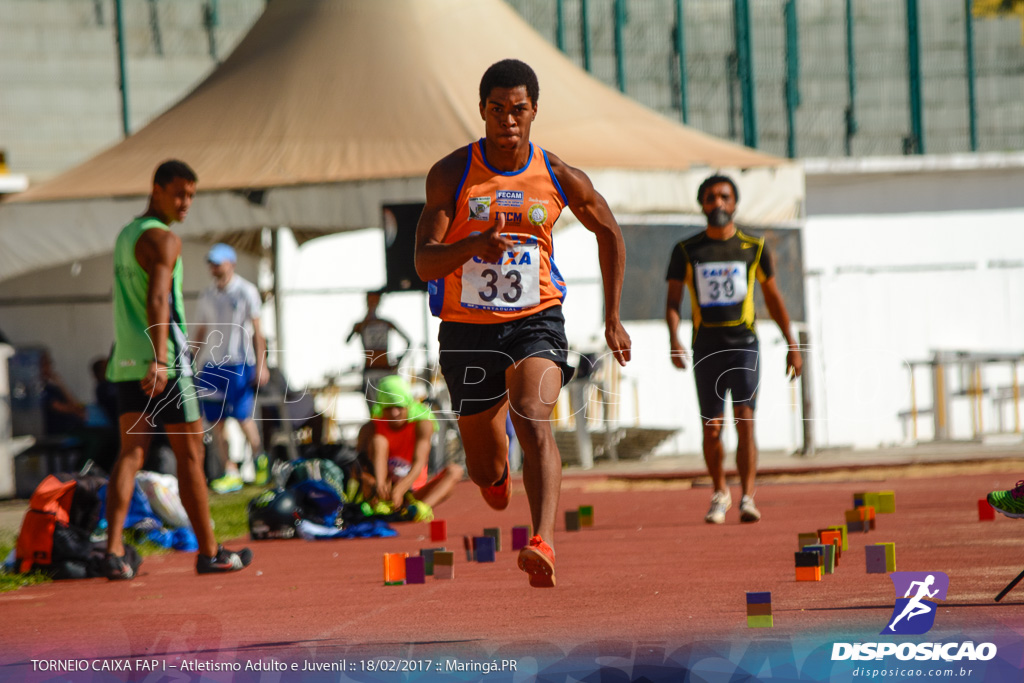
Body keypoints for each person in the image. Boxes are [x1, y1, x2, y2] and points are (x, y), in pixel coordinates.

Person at [414, 59, 631, 587]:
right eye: (497, 110)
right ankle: (495, 479)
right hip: (467, 332)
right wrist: (473, 245)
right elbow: (424, 261)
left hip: (536, 321)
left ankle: (543, 540)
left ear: (533, 110)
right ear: (482, 111)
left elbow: (610, 233)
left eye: (518, 110)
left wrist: (613, 316)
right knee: (486, 466)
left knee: (534, 416)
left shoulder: (557, 174)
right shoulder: (452, 173)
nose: (508, 120)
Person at [104, 159, 252, 579]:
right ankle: (210, 552)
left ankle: (113, 550)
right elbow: (157, 300)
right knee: (191, 455)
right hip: (163, 363)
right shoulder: (164, 239)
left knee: (131, 454)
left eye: (191, 194)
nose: (186, 202)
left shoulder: (125, 236)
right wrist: (162, 357)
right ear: (156, 189)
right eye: (179, 193)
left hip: (127, 362)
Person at [665, 174, 802, 525]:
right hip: (706, 347)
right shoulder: (686, 250)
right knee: (712, 428)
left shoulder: (754, 247)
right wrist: (674, 338)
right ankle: (719, 491)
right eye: (711, 198)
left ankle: (748, 497)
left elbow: (773, 299)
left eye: (724, 197)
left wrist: (792, 344)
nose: (718, 204)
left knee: (745, 422)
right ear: (702, 205)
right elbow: (673, 301)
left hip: (744, 346)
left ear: (735, 203)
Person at [191, 243, 270, 492]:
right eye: (211, 263)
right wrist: (190, 359)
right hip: (212, 365)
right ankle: (230, 470)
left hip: (238, 363)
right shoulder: (207, 295)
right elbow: (201, 330)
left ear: (231, 263)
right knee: (216, 421)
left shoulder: (246, 291)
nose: (213, 267)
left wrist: (262, 364)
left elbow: (259, 331)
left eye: (218, 262)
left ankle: (260, 459)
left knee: (243, 416)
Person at [355, 374, 463, 520]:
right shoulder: (370, 428)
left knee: (455, 471)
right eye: (388, 408)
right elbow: (356, 467)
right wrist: (374, 483)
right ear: (381, 407)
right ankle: (379, 504)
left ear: (408, 405)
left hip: (412, 490)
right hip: (382, 491)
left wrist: (401, 488)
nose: (394, 413)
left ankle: (418, 509)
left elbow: (420, 462)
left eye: (399, 407)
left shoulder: (423, 424)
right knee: (378, 441)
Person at [346, 289, 412, 404]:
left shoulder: (386, 323)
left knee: (390, 404)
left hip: (386, 369)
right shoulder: (361, 325)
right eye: (370, 300)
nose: (373, 303)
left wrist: (399, 360)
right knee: (374, 408)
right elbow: (347, 341)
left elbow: (408, 341)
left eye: (375, 300)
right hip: (370, 371)